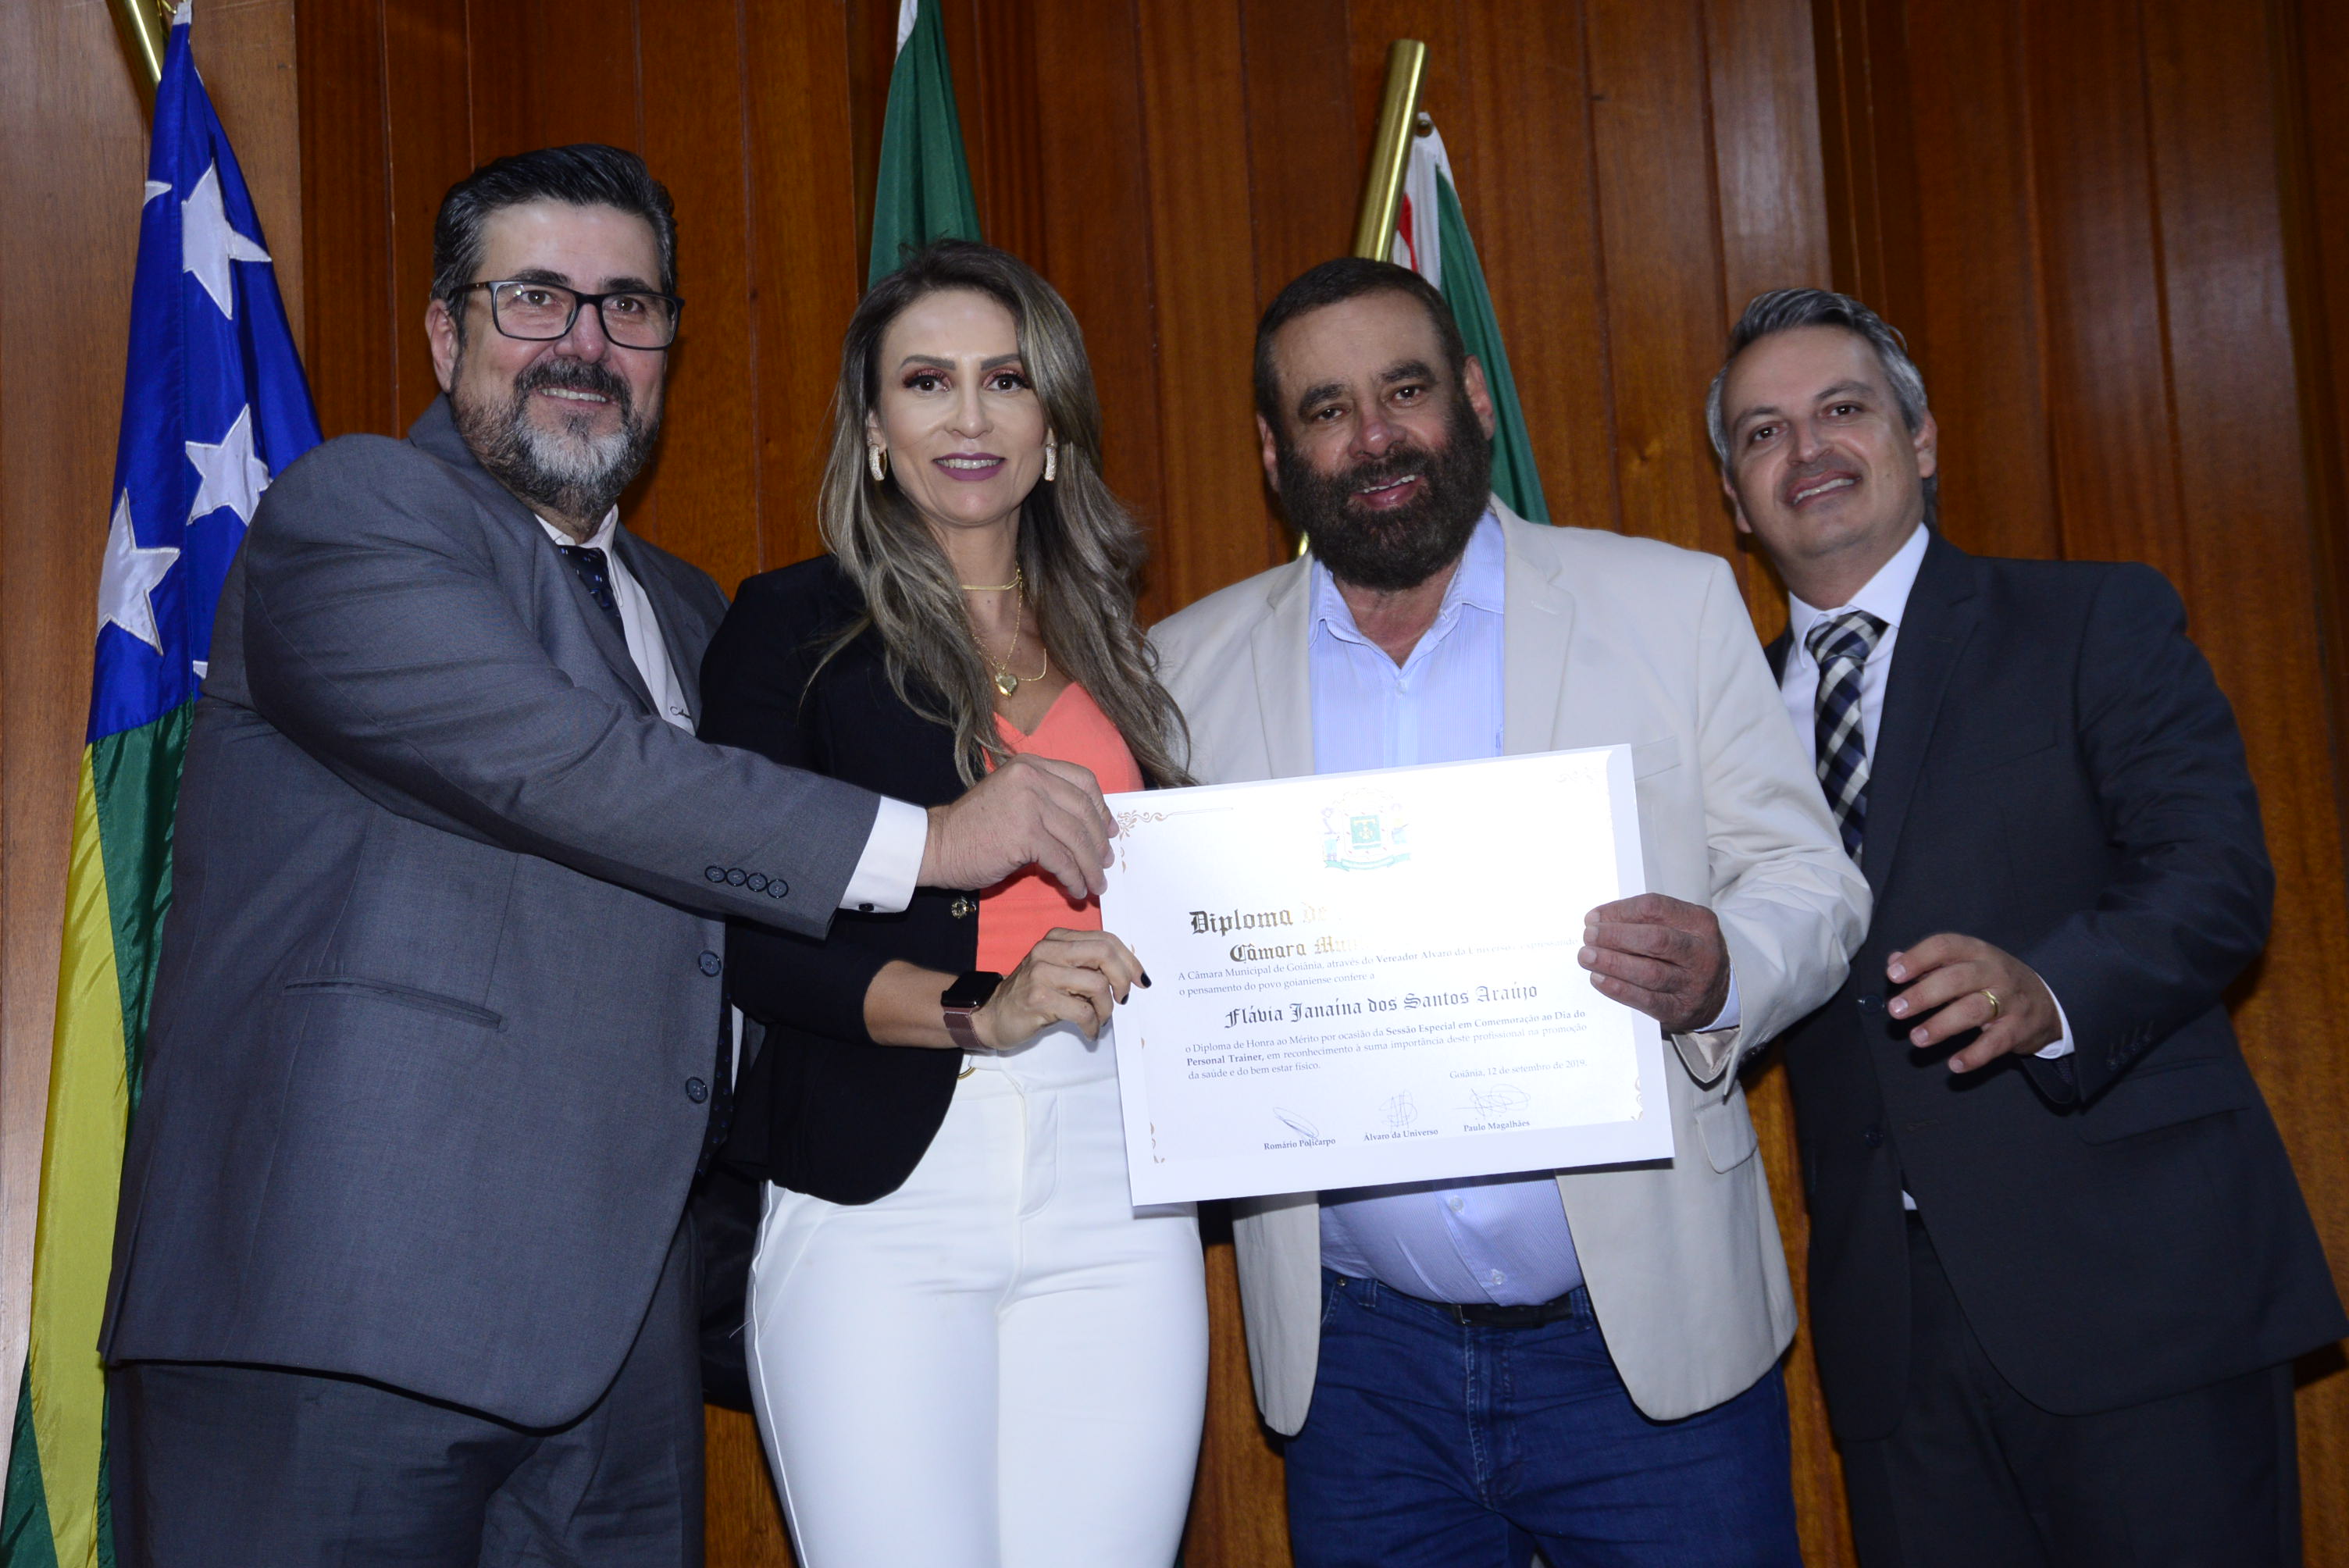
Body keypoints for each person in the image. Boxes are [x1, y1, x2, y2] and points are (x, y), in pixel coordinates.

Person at [98, 148, 1117, 1565]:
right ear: (447, 332)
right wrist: (936, 840)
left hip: (621, 1350)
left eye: (628, 307)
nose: (585, 342)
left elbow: (742, 936)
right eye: (535, 298)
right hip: (342, 1317)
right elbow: (567, 768)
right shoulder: (354, 510)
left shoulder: (691, 614)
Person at [1148, 257, 1868, 1568]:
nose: (1375, 438)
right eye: (1326, 410)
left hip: (1647, 1348)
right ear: (1273, 451)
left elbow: (1811, 881)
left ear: (1473, 399)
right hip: (1362, 1377)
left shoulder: (1668, 604)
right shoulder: (1181, 674)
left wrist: (1723, 969)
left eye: (1405, 390)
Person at [1710, 287, 2347, 1567]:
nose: (1808, 449)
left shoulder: (2092, 621)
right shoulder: (1717, 723)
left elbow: (2217, 878)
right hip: (1893, 1342)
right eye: (1764, 433)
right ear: (1733, 496)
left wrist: (2051, 994)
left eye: (1844, 409)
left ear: (1921, 437)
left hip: (2138, 1291)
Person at [696, 240, 1206, 1568]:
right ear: (874, 429)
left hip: (1121, 1177)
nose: (969, 417)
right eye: (927, 382)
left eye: (1007, 381)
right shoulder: (787, 628)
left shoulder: (1125, 647)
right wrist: (982, 1008)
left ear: (1054, 427)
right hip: (884, 1182)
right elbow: (746, 929)